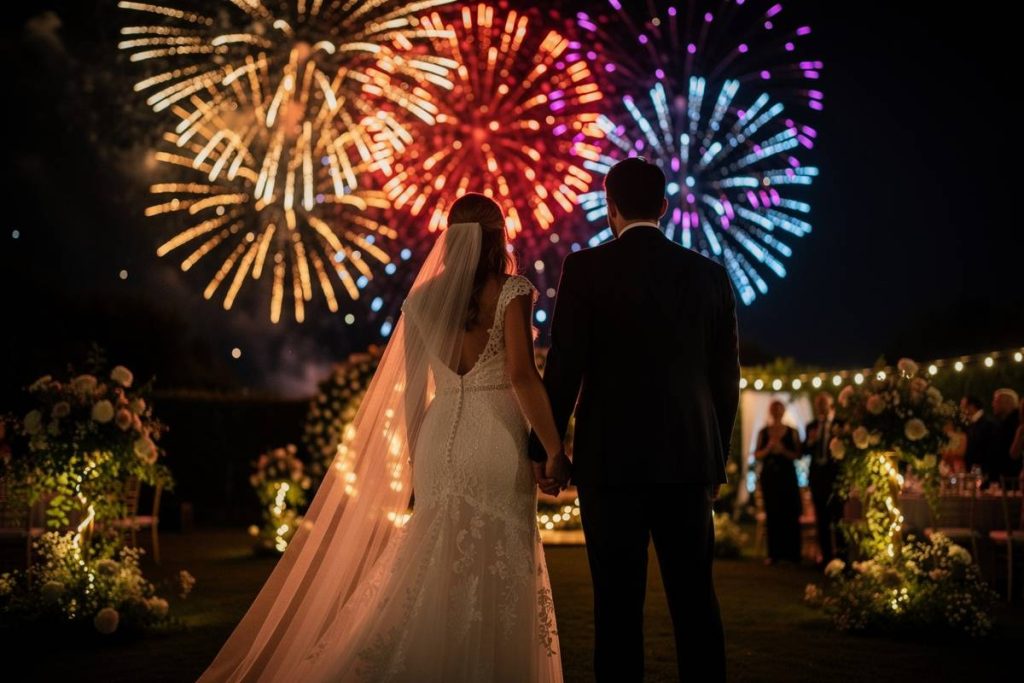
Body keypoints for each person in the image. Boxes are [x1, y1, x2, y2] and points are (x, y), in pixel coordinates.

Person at [199, 194, 571, 682]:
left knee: (436, 564)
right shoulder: (512, 290)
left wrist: (420, 460)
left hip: (440, 441)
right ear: (498, 236)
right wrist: (554, 449)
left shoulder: (422, 301)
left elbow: (414, 393)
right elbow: (522, 375)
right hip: (496, 438)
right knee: (498, 561)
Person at [528, 156, 739, 683]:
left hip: (611, 462)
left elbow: (564, 365)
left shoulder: (586, 269)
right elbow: (724, 382)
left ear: (610, 208)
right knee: (695, 604)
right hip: (690, 461)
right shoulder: (710, 277)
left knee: (616, 609)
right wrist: (717, 461)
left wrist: (545, 450)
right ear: (665, 207)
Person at [755, 400, 802, 565]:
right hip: (770, 478)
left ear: (783, 412)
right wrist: (768, 449)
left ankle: (792, 554)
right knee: (772, 514)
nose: (777, 412)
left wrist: (783, 451)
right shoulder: (763, 432)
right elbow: (757, 455)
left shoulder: (792, 431)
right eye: (774, 409)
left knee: (790, 513)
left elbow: (798, 455)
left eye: (779, 409)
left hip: (787, 477)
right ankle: (773, 554)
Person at [802, 392, 845, 566]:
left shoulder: (840, 424)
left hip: (835, 477)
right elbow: (804, 451)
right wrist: (811, 442)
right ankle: (826, 558)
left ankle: (842, 558)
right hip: (817, 477)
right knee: (822, 519)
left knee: (838, 518)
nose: (821, 407)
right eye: (818, 404)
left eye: (824, 403)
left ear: (830, 404)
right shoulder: (811, 426)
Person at [961, 395, 996, 478]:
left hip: (982, 471)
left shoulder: (987, 424)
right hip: (974, 469)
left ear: (971, 406)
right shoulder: (971, 423)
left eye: (963, 406)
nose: (961, 409)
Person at [991, 388, 1022, 479]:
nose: (992, 404)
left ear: (1007, 403)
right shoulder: (1003, 423)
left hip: (1012, 479)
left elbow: (1012, 454)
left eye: (996, 401)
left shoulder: (1015, 425)